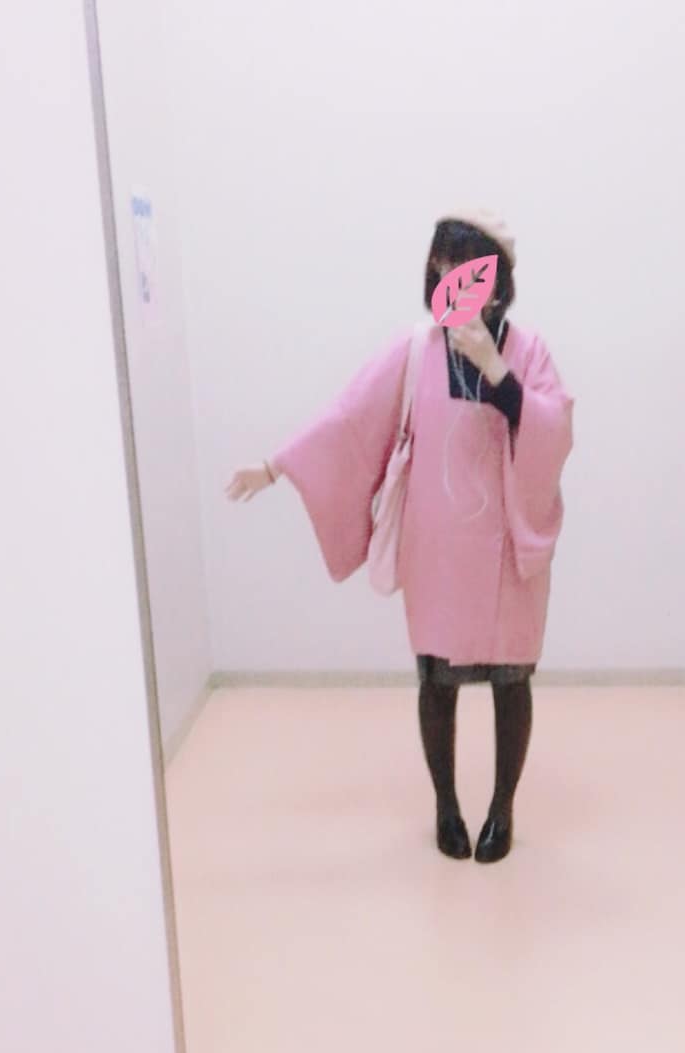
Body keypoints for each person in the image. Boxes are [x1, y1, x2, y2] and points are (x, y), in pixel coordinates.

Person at [226, 208, 574, 863]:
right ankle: (446, 806)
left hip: (507, 556)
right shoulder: (417, 350)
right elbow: (349, 419)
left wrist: (497, 372)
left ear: (495, 277)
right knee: (437, 680)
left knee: (512, 681)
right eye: (441, 265)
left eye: (463, 264)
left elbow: (554, 432)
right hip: (436, 551)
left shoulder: (529, 352)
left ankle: (501, 809)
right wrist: (276, 466)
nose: (449, 275)